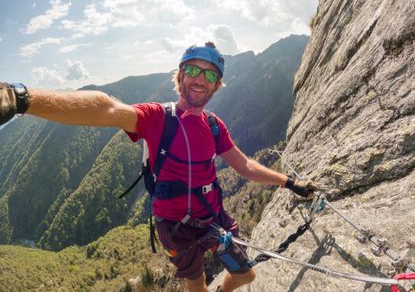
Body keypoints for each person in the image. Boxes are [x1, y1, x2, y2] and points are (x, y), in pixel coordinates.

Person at [0, 42, 316, 292]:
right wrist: (22, 98)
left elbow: (244, 165)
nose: (200, 79)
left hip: (213, 217)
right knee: (195, 285)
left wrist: (290, 182)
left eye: (210, 75)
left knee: (245, 274)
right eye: (193, 70)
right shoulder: (156, 118)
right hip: (174, 228)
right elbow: (105, 108)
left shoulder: (214, 126)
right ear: (179, 76)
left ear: (217, 86)